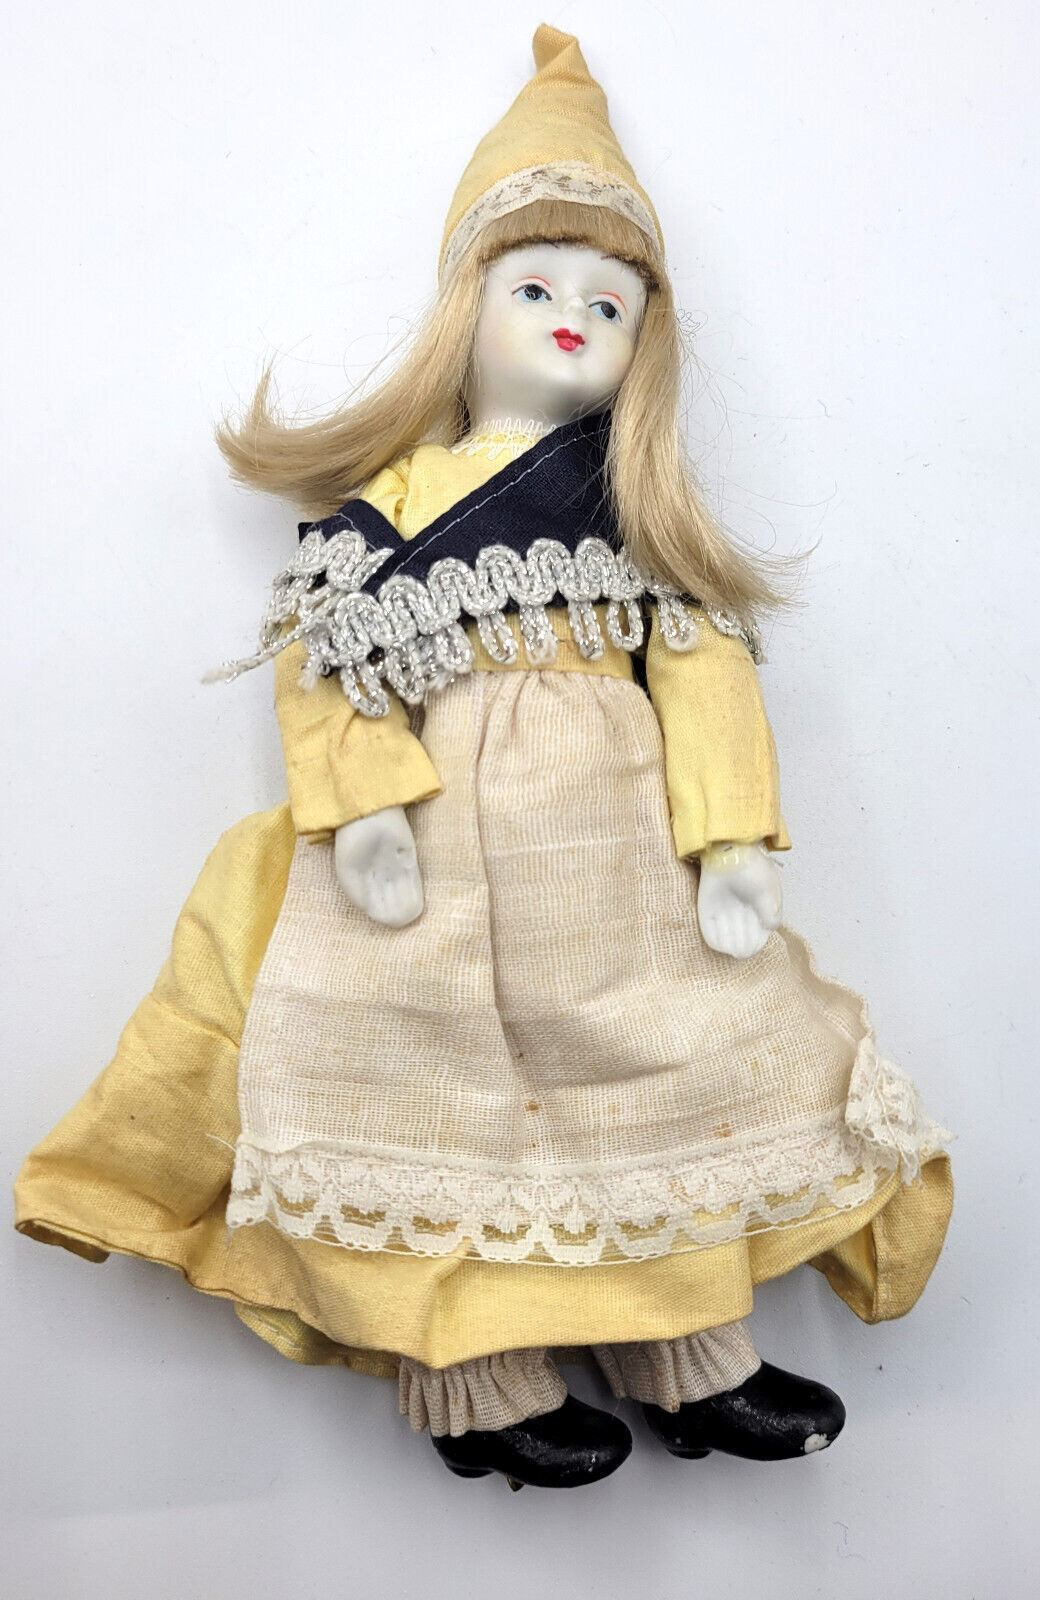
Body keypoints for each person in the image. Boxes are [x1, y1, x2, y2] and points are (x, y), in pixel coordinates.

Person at [15, 25, 951, 1490]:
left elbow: (703, 675)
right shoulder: (390, 508)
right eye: (536, 289)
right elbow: (329, 666)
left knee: (667, 1068)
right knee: (425, 1084)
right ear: (468, 309)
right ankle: (476, 1380)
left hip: (612, 869)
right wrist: (366, 813)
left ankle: (690, 1352)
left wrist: (729, 840)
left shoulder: (639, 520)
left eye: (609, 304)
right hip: (436, 861)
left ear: (646, 342)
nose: (573, 319)